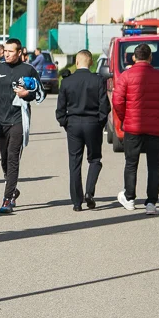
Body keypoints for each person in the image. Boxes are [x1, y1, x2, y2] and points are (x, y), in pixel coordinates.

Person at [0, 38, 46, 214]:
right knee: (5, 159)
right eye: (5, 51)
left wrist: (26, 94)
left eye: (10, 51)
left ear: (19, 52)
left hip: (19, 120)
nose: (6, 54)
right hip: (2, 120)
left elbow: (40, 94)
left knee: (13, 158)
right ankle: (13, 188)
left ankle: (7, 199)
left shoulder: (28, 70)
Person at [112, 43, 159, 216]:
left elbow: (117, 101)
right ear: (150, 57)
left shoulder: (125, 76)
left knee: (131, 163)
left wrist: (125, 118)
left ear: (134, 57)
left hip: (133, 127)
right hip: (156, 127)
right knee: (154, 166)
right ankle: (151, 203)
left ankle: (130, 198)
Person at [55, 50, 110, 211]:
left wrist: (66, 123)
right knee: (94, 159)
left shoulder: (66, 82)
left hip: (73, 124)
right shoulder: (98, 80)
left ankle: (77, 203)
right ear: (90, 62)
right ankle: (89, 193)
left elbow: (60, 109)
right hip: (93, 123)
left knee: (74, 163)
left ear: (77, 62)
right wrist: (100, 123)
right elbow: (105, 106)